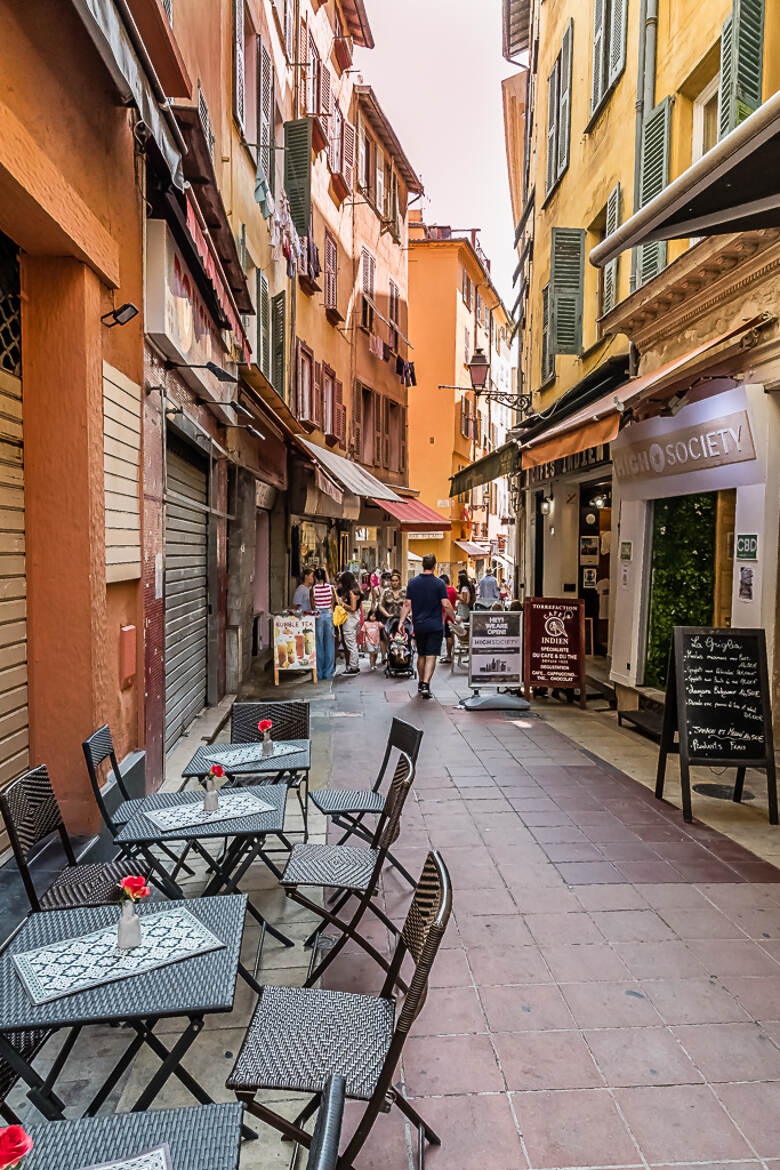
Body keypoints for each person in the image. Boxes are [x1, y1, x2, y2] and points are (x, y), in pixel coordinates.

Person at [400, 554, 458, 700]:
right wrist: (454, 617)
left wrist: (401, 622)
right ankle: (426, 684)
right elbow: (445, 604)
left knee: (421, 654)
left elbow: (407, 604)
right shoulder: (439, 584)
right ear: (434, 566)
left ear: (422, 565)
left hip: (419, 625)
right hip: (435, 625)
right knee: (431, 655)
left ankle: (420, 682)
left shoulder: (413, 583)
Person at [310, 567, 336, 680]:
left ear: (315, 577)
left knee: (318, 644)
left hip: (318, 616)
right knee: (329, 644)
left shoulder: (313, 589)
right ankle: (328, 672)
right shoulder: (331, 588)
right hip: (329, 615)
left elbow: (312, 606)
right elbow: (332, 604)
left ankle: (319, 673)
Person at [337, 570, 363, 675]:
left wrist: (342, 604)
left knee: (351, 644)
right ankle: (354, 665)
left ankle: (353, 667)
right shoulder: (357, 590)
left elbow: (352, 608)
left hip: (351, 619)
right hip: (354, 618)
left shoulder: (352, 592)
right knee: (352, 643)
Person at [378, 570, 406, 662]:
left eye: (396, 580)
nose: (394, 582)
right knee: (386, 638)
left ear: (399, 581)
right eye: (393, 580)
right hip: (388, 619)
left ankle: (403, 655)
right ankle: (385, 657)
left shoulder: (405, 591)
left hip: (402, 620)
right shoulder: (386, 592)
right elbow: (380, 605)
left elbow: (411, 604)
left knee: (402, 638)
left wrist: (409, 614)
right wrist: (387, 614)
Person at [440, 573, 458, 664]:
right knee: (451, 636)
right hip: (451, 616)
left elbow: (447, 605)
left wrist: (444, 618)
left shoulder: (447, 591)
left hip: (448, 617)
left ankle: (449, 655)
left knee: (448, 636)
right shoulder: (453, 590)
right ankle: (450, 654)